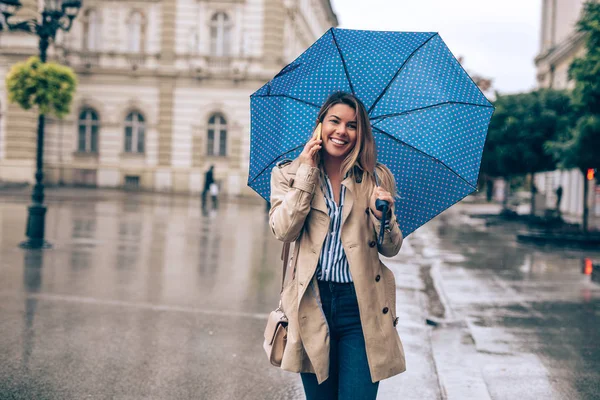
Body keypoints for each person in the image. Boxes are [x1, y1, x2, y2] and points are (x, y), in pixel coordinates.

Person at [269, 91, 405, 400]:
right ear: (319, 126)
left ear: (361, 134)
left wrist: (383, 214)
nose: (342, 131)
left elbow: (391, 248)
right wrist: (306, 173)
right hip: (311, 304)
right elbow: (284, 230)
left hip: (360, 307)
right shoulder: (287, 173)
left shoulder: (376, 178)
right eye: (334, 121)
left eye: (352, 125)